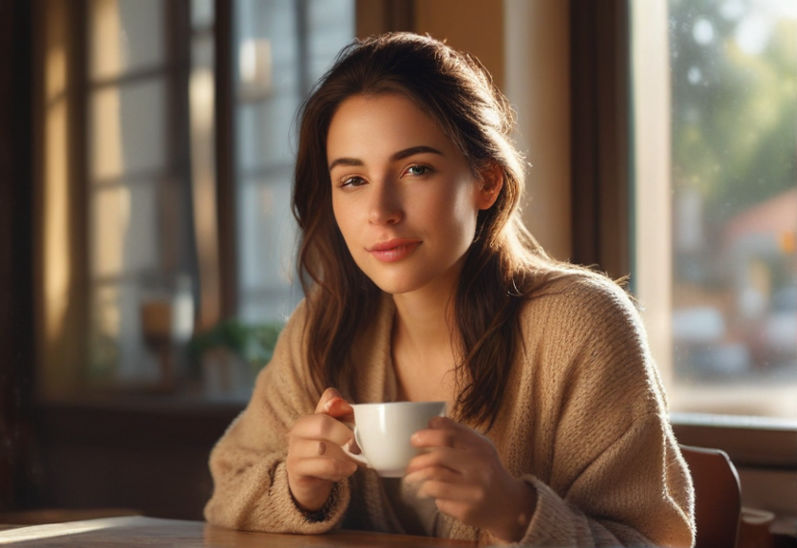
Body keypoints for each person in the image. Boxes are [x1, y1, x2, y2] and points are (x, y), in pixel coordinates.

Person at [204, 32, 695, 546]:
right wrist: (296, 489)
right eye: (353, 180)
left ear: (487, 182)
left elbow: (655, 542)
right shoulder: (321, 329)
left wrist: (516, 512)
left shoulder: (581, 325)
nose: (381, 211)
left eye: (416, 169)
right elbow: (224, 497)